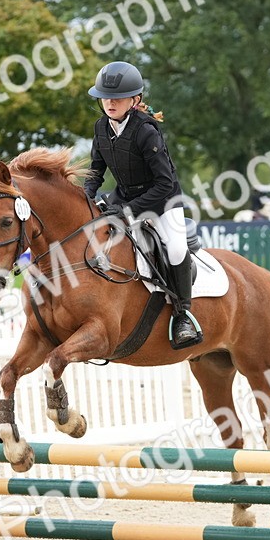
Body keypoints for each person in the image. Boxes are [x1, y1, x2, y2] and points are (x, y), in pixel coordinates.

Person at [83, 60, 202, 349]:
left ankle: (182, 313)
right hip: (124, 196)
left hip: (163, 200)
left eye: (118, 97)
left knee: (175, 248)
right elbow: (95, 172)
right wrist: (86, 196)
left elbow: (163, 184)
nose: (110, 102)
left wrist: (127, 211)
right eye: (105, 97)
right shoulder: (101, 128)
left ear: (134, 100)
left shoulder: (146, 131)